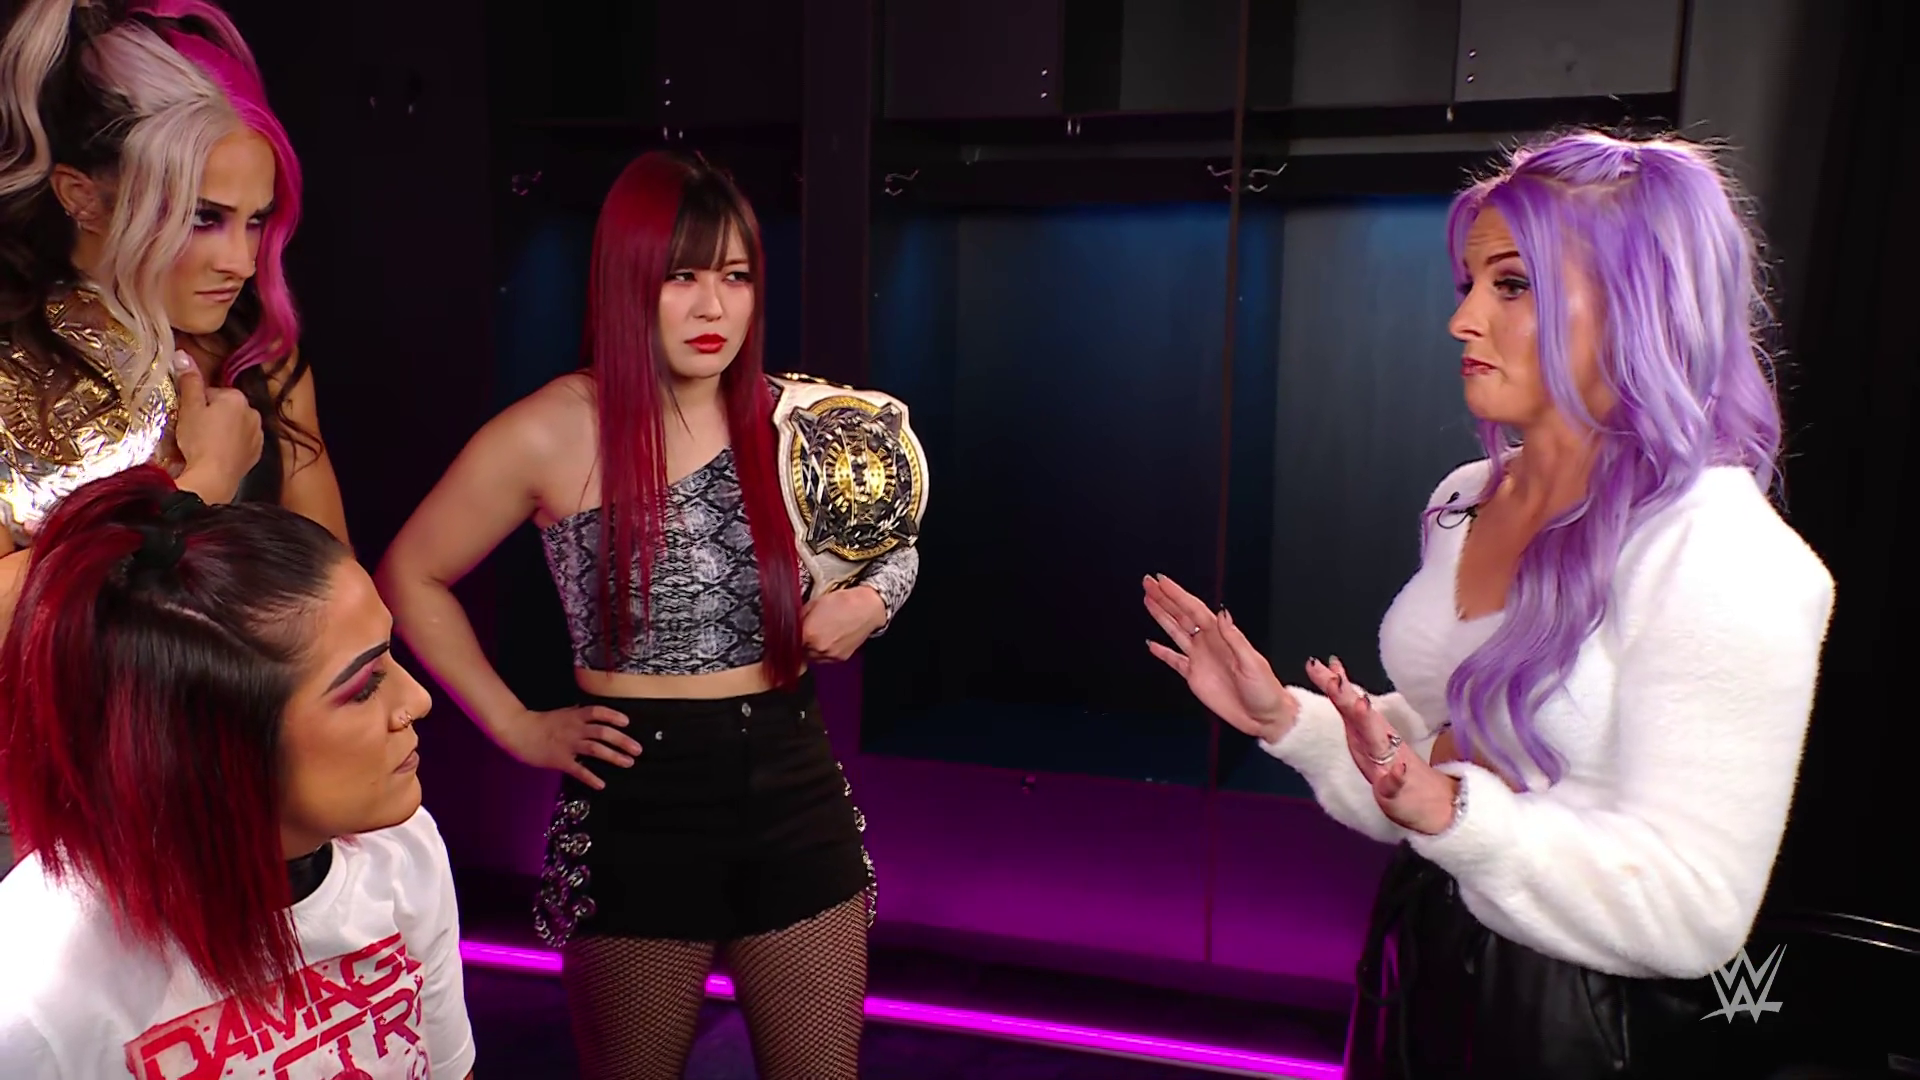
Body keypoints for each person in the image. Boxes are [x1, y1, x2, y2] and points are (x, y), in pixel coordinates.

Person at [1145, 129, 1834, 1078]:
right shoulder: (1466, 498)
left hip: (1580, 1025)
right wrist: (1293, 722)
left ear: (1642, 301)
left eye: (1512, 285)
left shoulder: (1723, 555)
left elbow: (1694, 913)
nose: (1462, 321)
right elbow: (1450, 750)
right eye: (1469, 284)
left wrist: (1454, 814)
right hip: (1422, 956)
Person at [376, 151, 926, 1079]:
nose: (713, 307)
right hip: (640, 802)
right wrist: (517, 726)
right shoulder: (554, 429)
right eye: (682, 277)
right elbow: (409, 574)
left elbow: (894, 542)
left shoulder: (796, 417)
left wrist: (872, 602)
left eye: (735, 277)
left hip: (792, 780)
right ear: (628, 280)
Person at [0, 466, 475, 1079]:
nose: (418, 701)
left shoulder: (403, 851)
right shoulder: (36, 993)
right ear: (211, 742)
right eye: (363, 687)